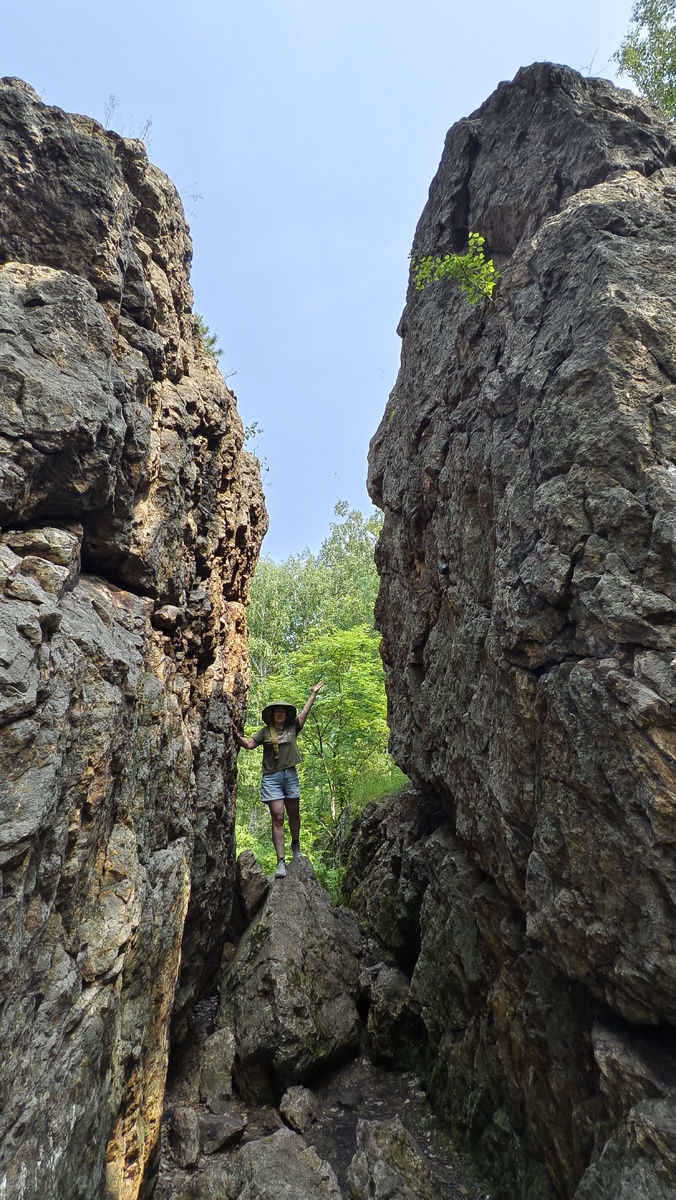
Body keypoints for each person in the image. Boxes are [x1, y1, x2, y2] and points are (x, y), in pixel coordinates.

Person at [232, 682, 323, 877]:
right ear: (272, 715)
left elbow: (305, 713)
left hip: (290, 775)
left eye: (283, 711)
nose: (280, 714)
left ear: (286, 714)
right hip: (271, 778)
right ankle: (280, 861)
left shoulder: (292, 727)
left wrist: (313, 694)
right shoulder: (265, 732)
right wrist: (237, 737)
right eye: (277, 711)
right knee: (278, 816)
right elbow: (249, 744)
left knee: (294, 813)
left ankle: (295, 845)